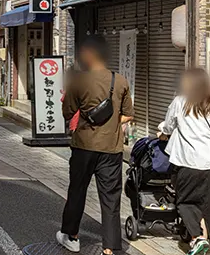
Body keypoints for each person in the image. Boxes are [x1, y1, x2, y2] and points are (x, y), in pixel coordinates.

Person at [57, 36, 134, 255]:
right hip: (112, 148)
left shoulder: (79, 81)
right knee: (110, 197)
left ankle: (71, 236)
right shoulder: (119, 80)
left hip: (84, 146)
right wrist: (110, 124)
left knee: (78, 190)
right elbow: (128, 115)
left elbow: (68, 112)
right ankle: (109, 247)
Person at [159, 68, 210, 255]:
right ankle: (205, 238)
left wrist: (162, 133)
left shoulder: (180, 102)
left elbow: (169, 125)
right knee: (207, 205)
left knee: (186, 202)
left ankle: (196, 237)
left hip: (189, 163)